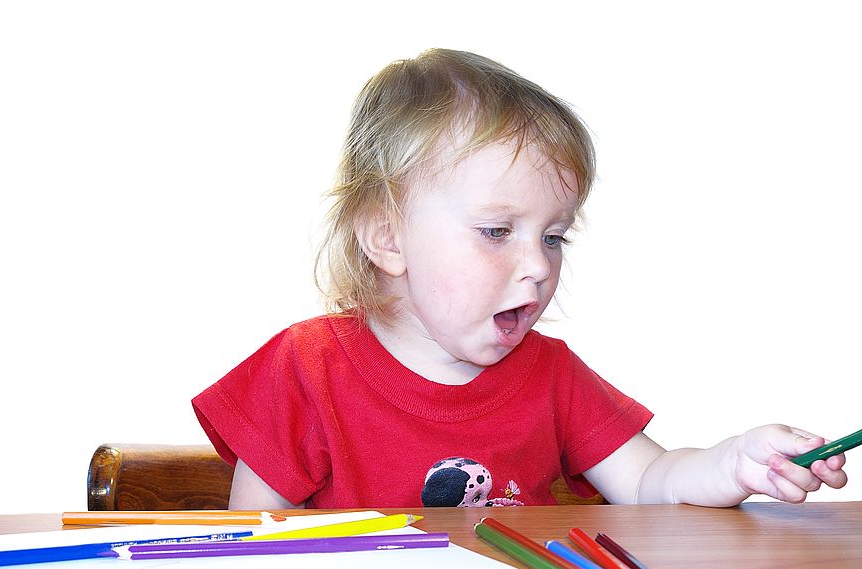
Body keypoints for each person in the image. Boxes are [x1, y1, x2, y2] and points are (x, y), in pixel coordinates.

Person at [191, 48, 848, 510]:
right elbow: (253, 550)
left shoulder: (552, 375)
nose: (539, 265)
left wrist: (735, 461)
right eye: (497, 231)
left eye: (554, 236)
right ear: (387, 237)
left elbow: (651, 483)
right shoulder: (306, 369)